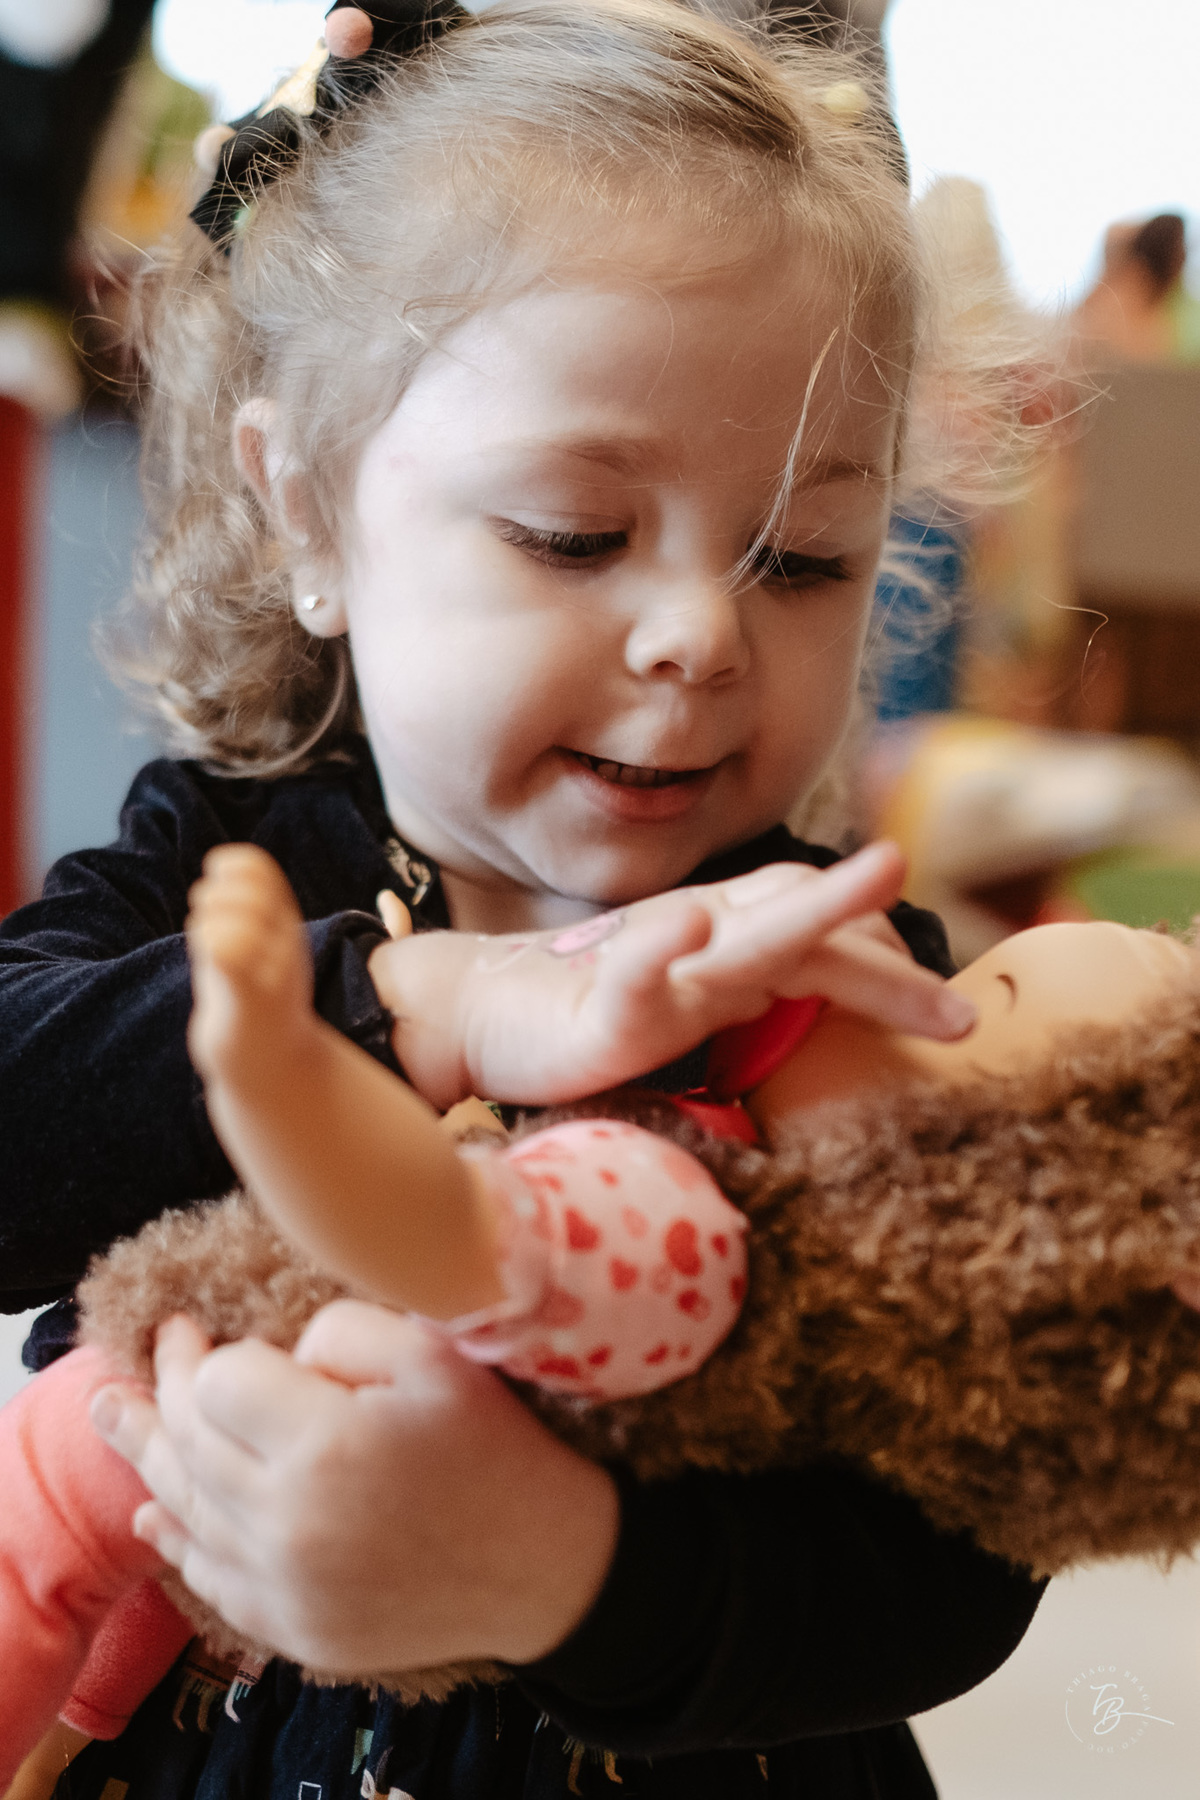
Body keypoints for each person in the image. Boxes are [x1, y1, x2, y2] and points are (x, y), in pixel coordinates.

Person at [0, 0, 1053, 1792]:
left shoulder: (835, 967)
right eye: (576, 534)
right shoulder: (235, 864)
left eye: (803, 559)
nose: (705, 634)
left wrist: (554, 1571)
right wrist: (421, 1008)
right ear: (310, 514)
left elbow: (964, 1535)